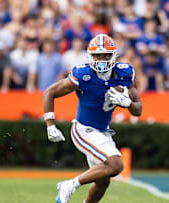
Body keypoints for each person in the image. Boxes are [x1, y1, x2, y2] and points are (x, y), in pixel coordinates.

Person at [42, 34, 142, 203]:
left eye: (106, 55)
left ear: (114, 56)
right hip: (83, 130)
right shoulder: (83, 75)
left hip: (103, 132)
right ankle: (70, 185)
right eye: (97, 55)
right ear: (90, 56)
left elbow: (138, 110)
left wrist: (128, 103)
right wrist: (50, 125)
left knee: (103, 181)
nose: (101, 60)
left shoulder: (124, 73)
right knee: (116, 165)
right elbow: (49, 92)